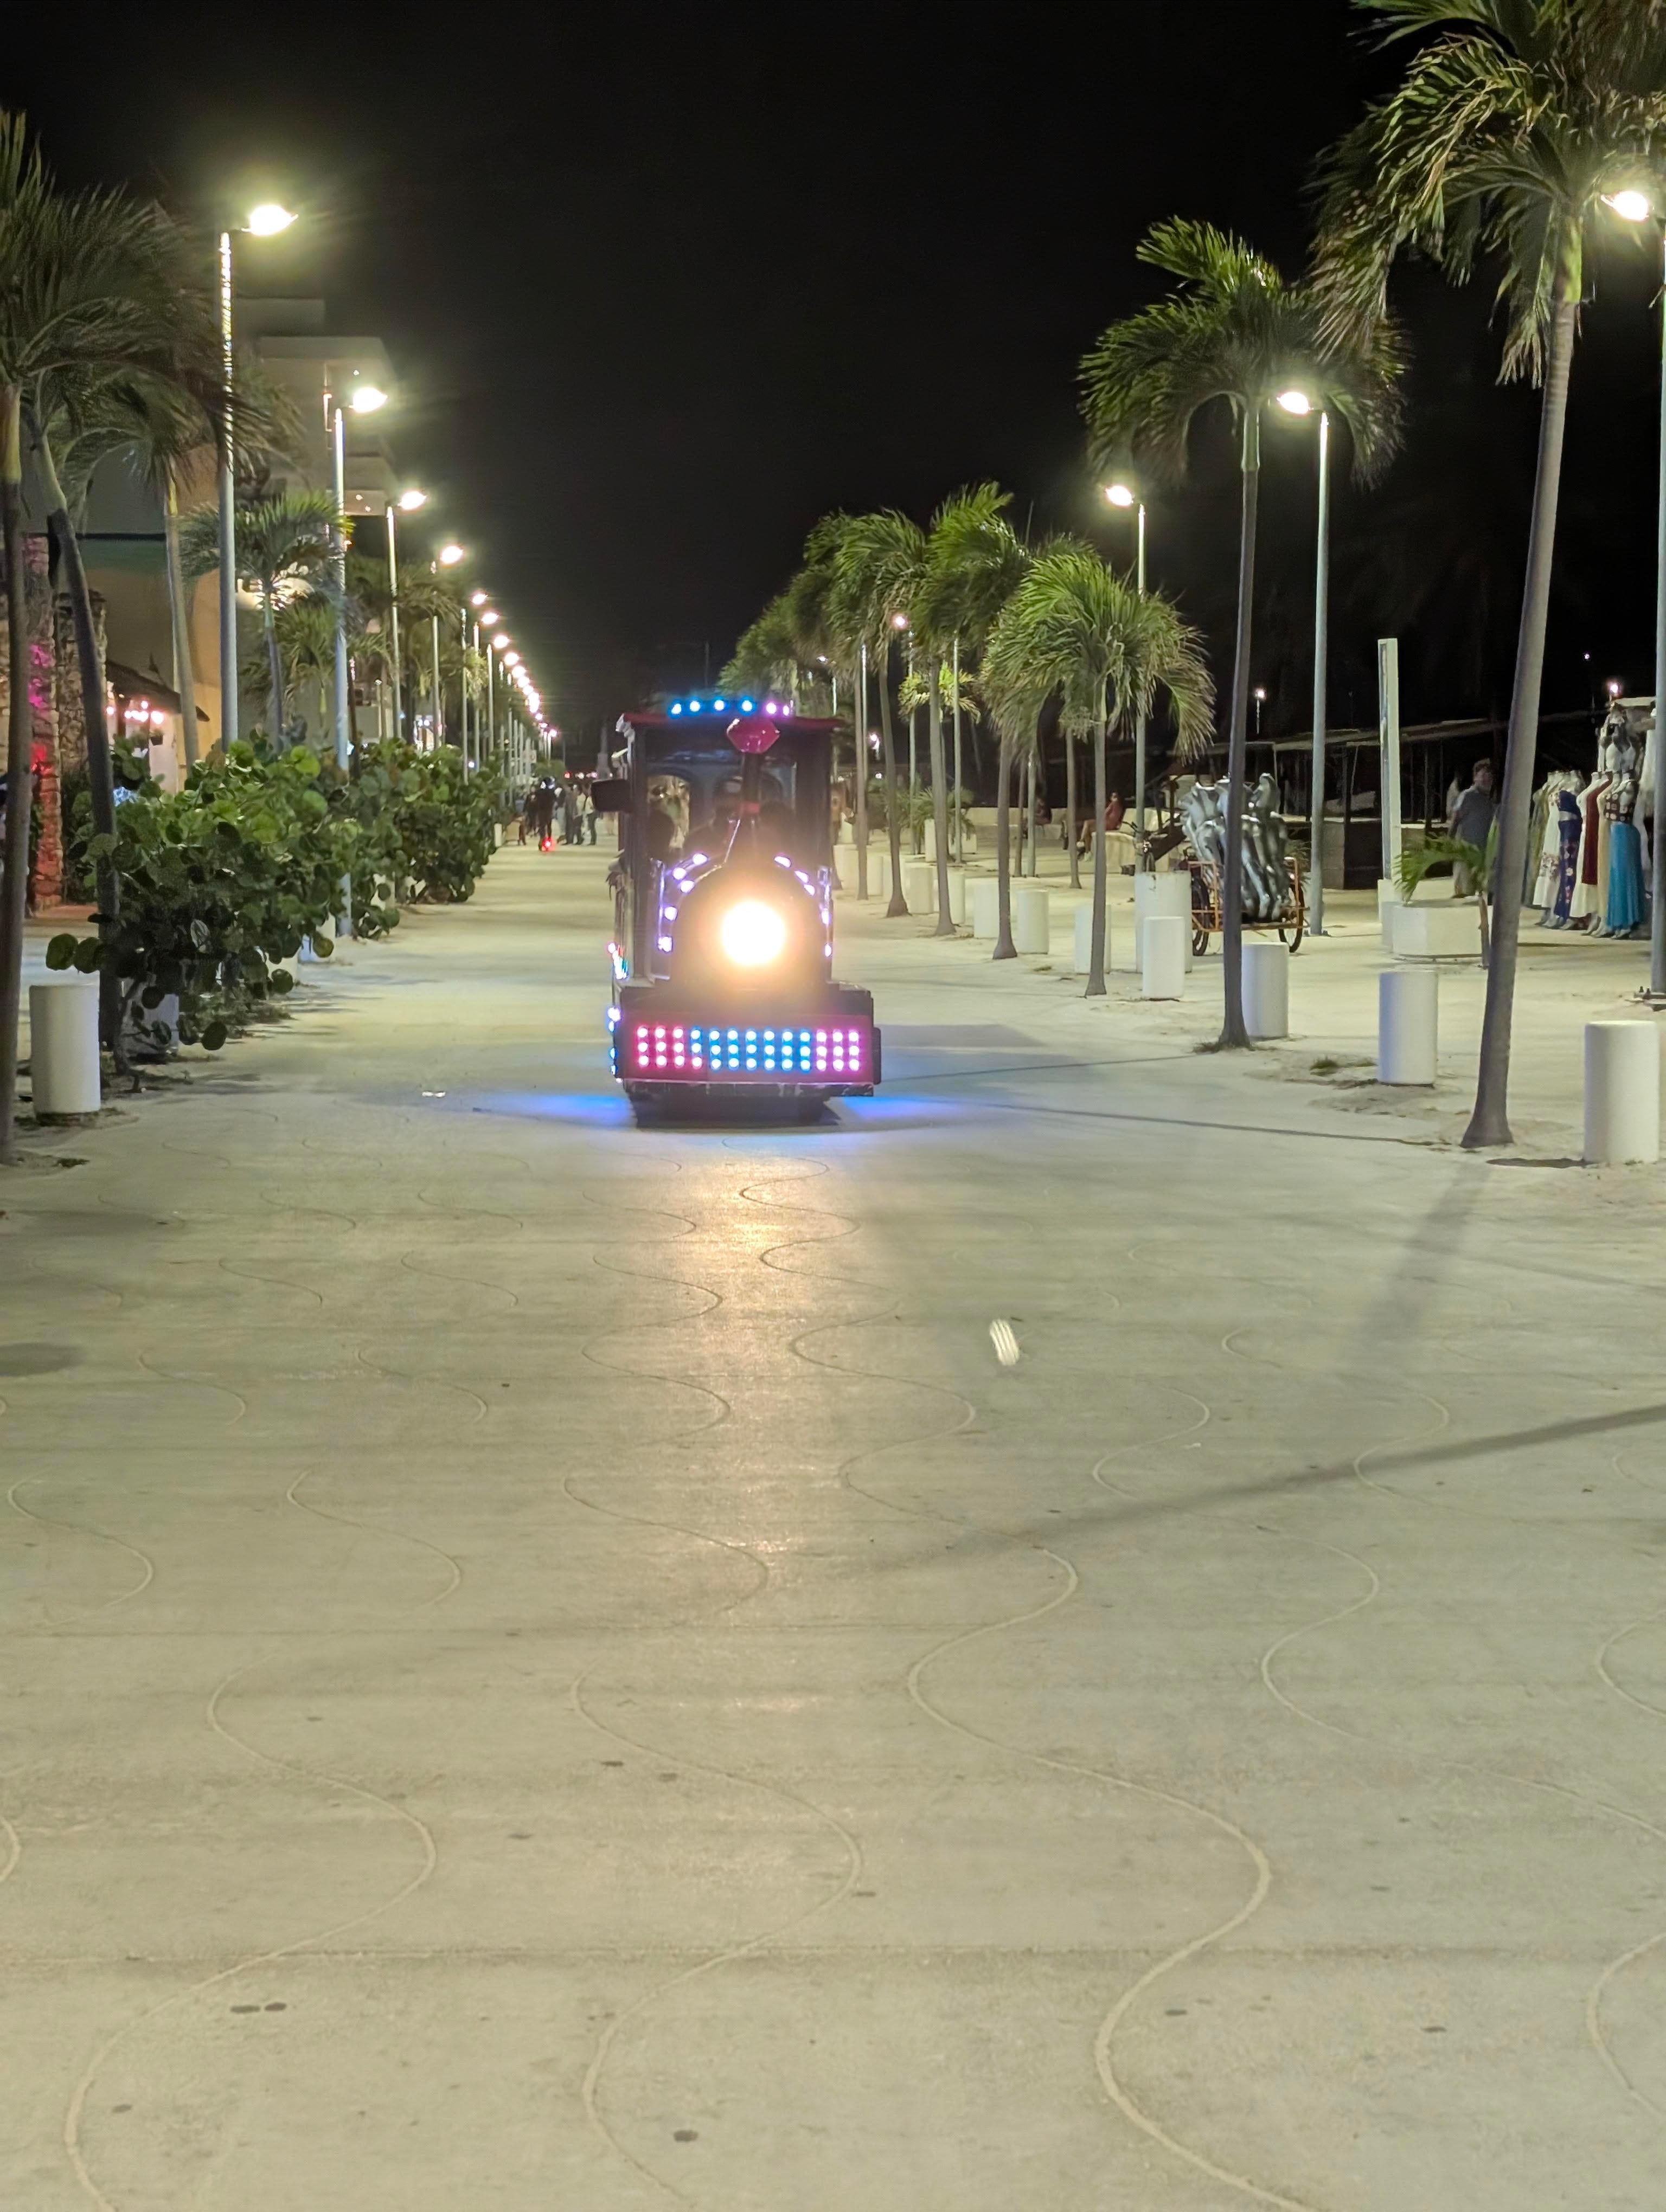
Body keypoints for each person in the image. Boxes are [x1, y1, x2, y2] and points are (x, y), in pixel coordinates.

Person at [1449, 759, 1497, 893]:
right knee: (1464, 893)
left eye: (1490, 778)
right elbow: (1455, 821)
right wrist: (1448, 844)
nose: (1487, 780)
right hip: (1465, 854)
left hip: (1483, 856)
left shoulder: (1490, 801)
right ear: (1475, 778)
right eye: (1483, 777)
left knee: (1481, 894)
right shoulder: (1466, 796)